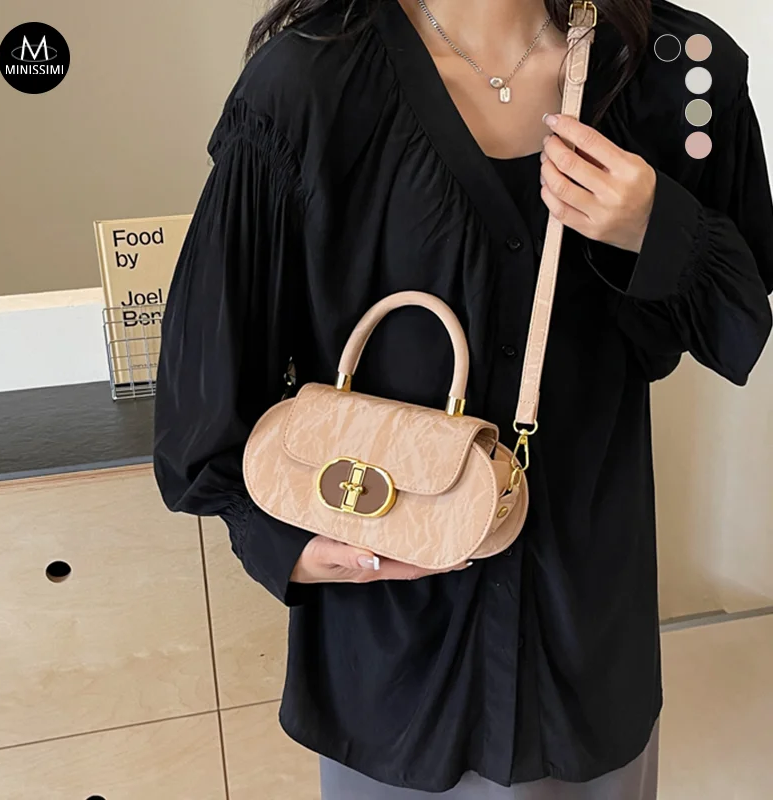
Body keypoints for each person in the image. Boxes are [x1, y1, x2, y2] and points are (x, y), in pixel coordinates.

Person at [152, 0, 773, 797]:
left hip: (584, 637)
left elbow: (733, 320)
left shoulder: (673, 71)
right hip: (393, 654)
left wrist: (656, 226)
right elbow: (210, 366)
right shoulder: (308, 82)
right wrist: (273, 537)